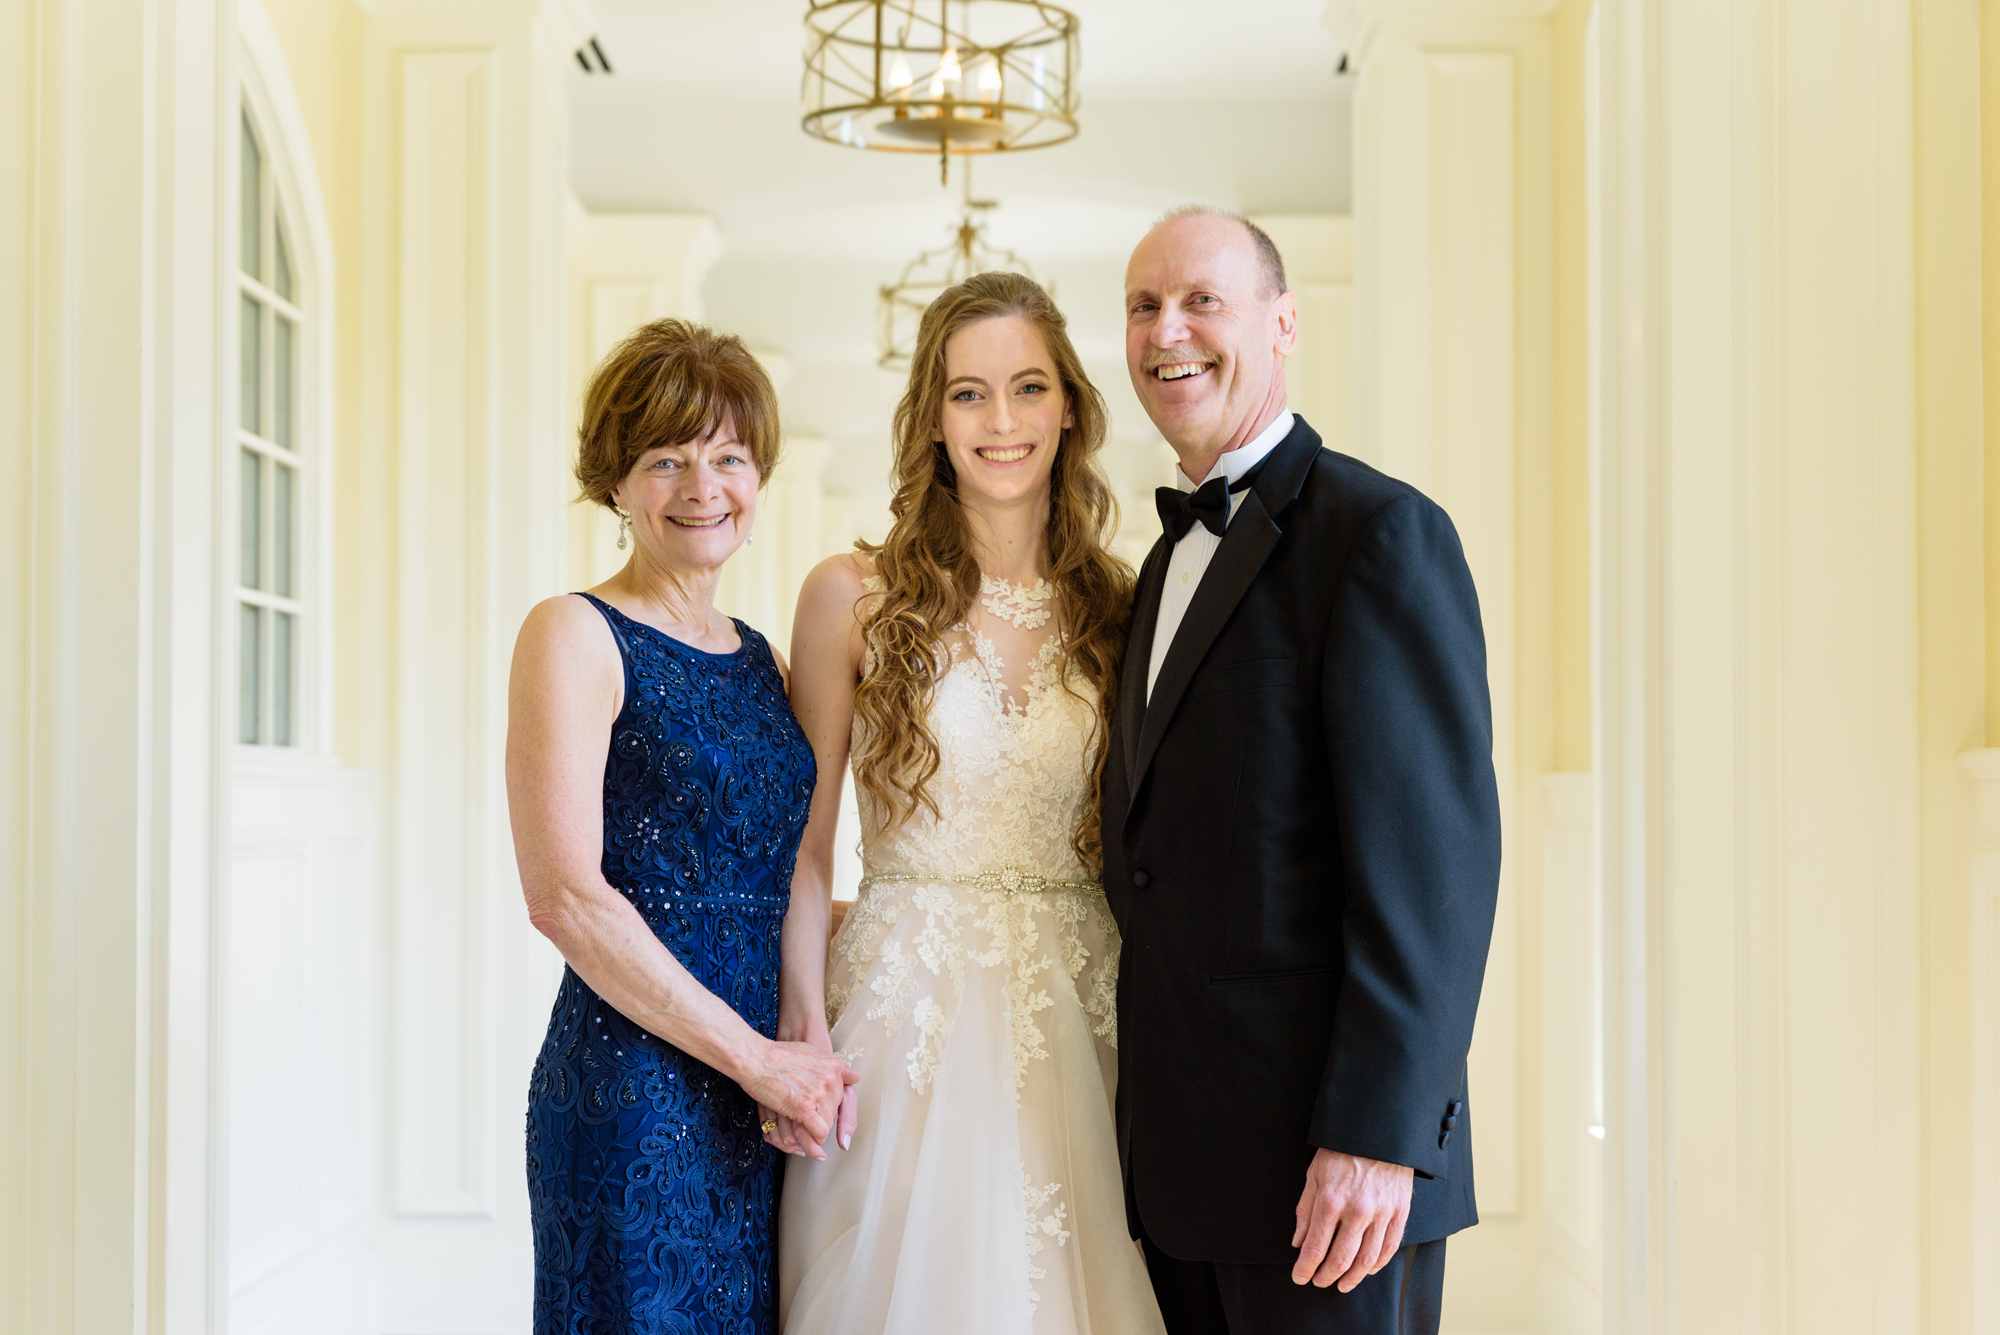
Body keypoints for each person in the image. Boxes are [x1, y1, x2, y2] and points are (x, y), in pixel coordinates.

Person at [1103, 207, 1502, 1335]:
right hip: (1181, 1169)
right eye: (1142, 305)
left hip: (1330, 1177)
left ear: (1281, 325)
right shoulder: (1161, 563)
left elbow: (1432, 877)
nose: (1165, 330)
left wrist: (1376, 1139)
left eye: (1200, 301)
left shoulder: (1379, 536)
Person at [774, 271, 1168, 1335]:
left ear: (1070, 408)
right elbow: (803, 850)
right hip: (903, 1013)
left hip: (1084, 1012)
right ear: (931, 420)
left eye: (1027, 387)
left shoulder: (1124, 606)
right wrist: (803, 1029)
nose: (1000, 421)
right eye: (967, 394)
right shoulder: (849, 595)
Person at [507, 318, 858, 1335]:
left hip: (760, 1096)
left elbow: (773, 865)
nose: (702, 484)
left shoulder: (758, 657)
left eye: (728, 456)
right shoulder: (572, 632)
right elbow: (564, 898)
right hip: (634, 1088)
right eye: (665, 459)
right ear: (614, 483)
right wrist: (753, 1059)